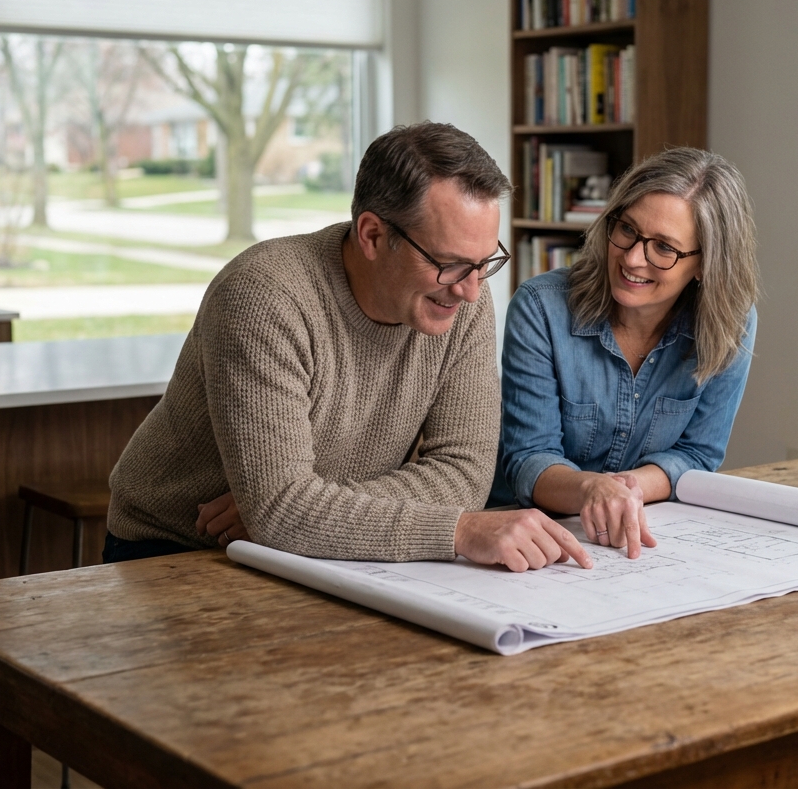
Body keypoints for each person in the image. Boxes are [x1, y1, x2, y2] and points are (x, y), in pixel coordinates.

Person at [106, 122, 591, 573]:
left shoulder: (465, 296)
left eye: (486, 262)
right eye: (450, 264)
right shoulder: (264, 296)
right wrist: (458, 528)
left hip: (324, 552)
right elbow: (281, 511)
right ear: (373, 235)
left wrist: (309, 510)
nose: (469, 289)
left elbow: (464, 474)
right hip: (176, 550)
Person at [491, 147, 757, 559]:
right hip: (526, 534)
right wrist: (593, 490)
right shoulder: (541, 307)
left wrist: (626, 489)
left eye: (664, 248)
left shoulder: (730, 323)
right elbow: (527, 458)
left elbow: (698, 454)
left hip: (639, 537)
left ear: (705, 264)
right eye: (628, 230)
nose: (633, 258)